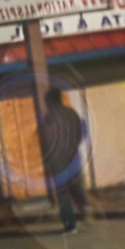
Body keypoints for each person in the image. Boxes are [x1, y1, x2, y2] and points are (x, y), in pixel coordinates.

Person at [38, 87, 91, 232]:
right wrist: (75, 144)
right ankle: (85, 209)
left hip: (58, 161)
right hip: (73, 156)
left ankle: (70, 224)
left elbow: (46, 141)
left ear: (50, 101)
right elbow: (83, 131)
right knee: (77, 186)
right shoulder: (71, 113)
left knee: (62, 193)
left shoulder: (49, 119)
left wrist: (48, 161)